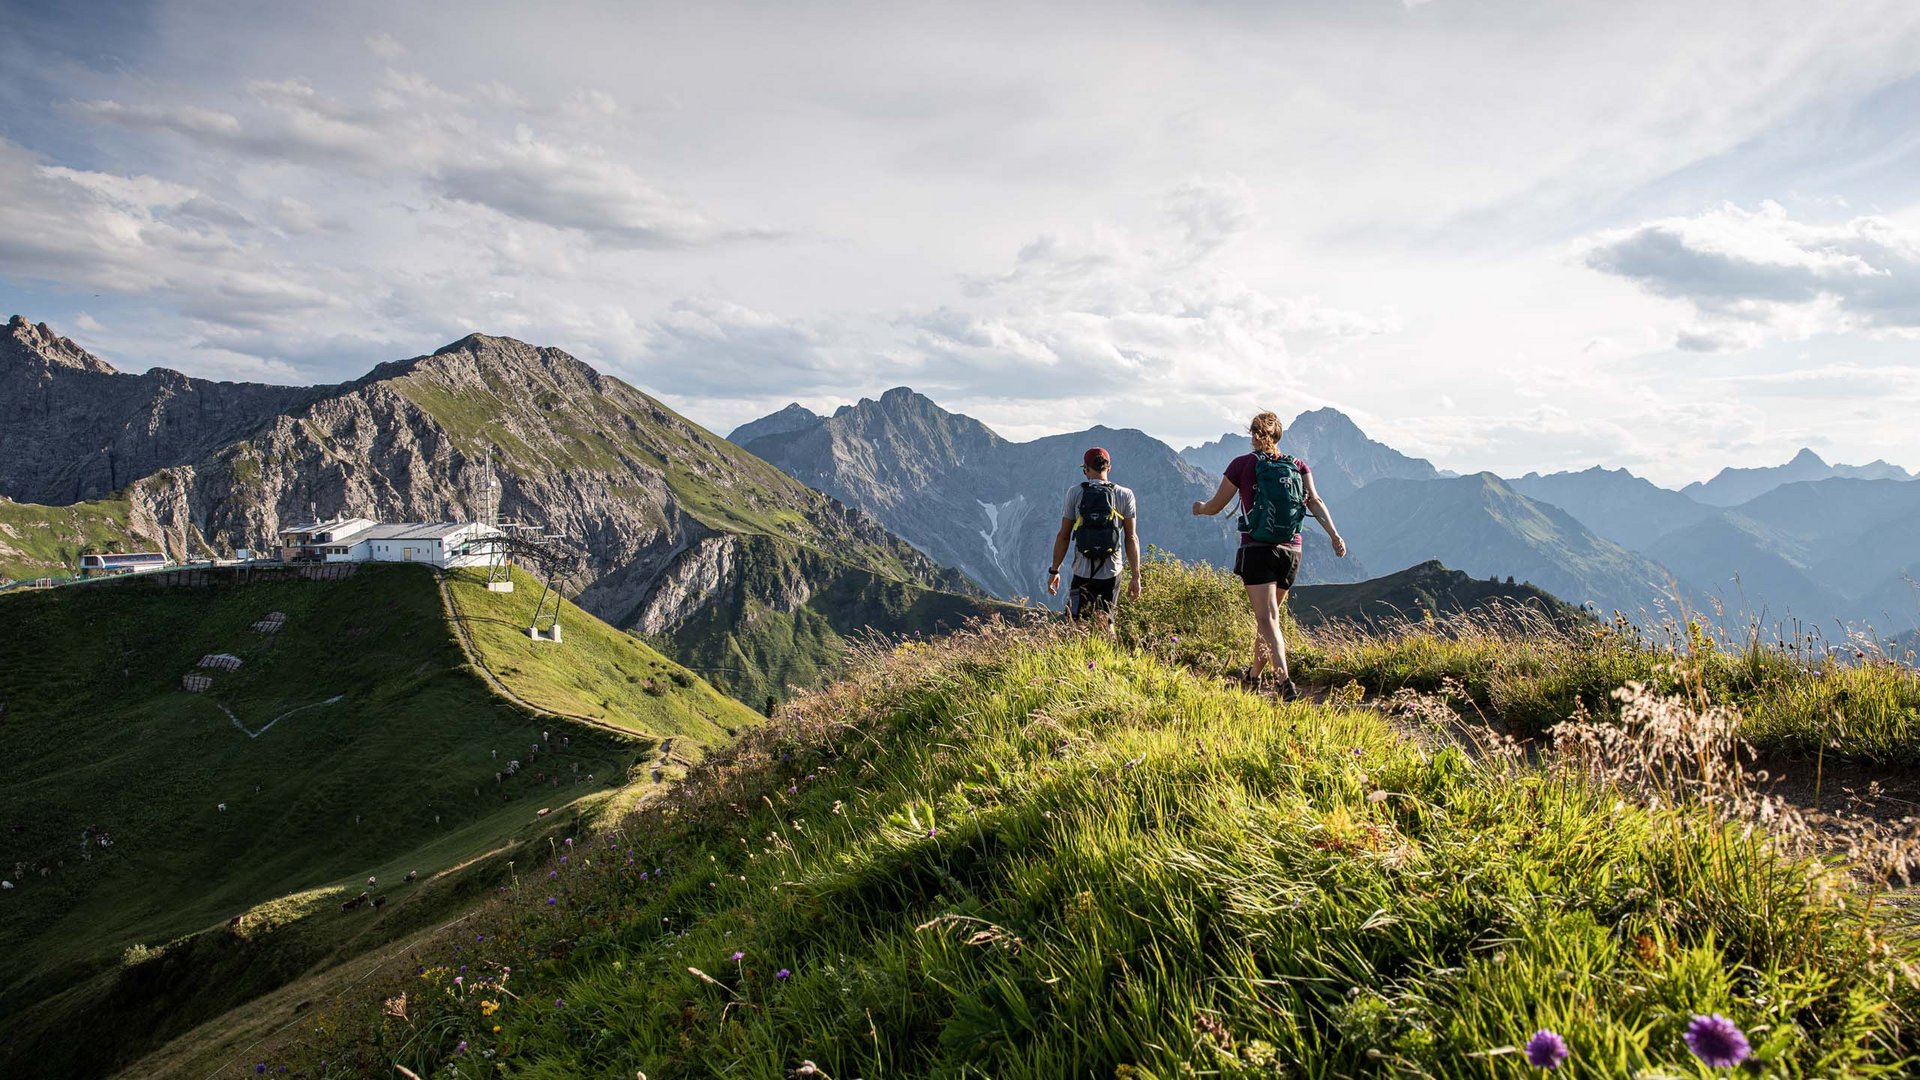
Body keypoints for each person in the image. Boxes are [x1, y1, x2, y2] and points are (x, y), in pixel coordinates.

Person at [1190, 411, 1347, 697]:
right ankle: (1252, 676)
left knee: (1267, 619)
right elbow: (1315, 501)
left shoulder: (1241, 465)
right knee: (1270, 618)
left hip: (1257, 547)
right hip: (1292, 550)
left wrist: (1199, 507)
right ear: (1279, 436)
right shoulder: (1298, 466)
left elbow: (1215, 506)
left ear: (1252, 434)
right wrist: (1334, 534)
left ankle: (1284, 681)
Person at [1048, 447, 1141, 632]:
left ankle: (1076, 659)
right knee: (1107, 623)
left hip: (1082, 570)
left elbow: (1063, 535)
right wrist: (1136, 576)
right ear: (1109, 468)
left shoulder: (1075, 493)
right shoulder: (1125, 494)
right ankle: (1108, 658)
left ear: (1086, 469)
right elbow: (1131, 537)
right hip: (1112, 572)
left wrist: (1054, 570)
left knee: (1074, 625)